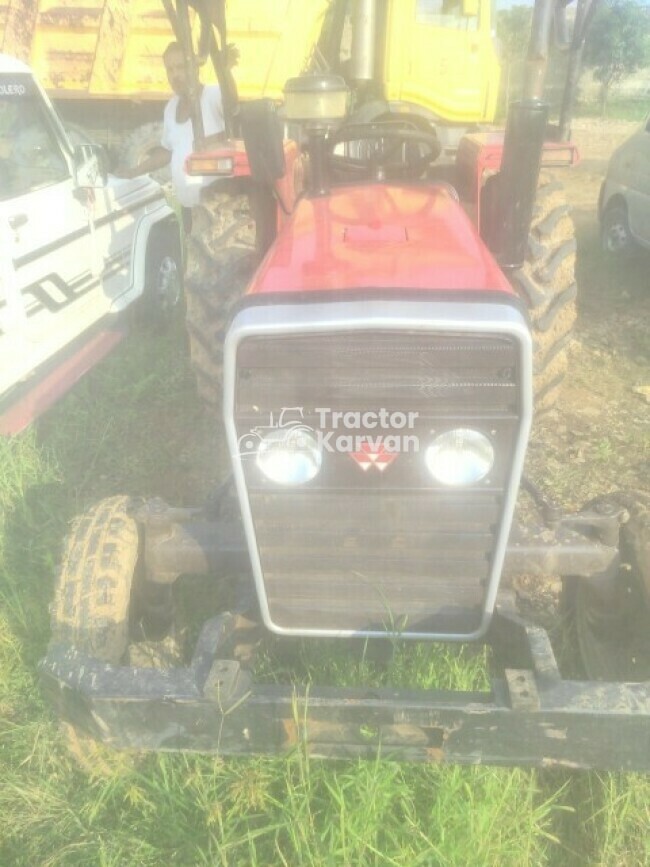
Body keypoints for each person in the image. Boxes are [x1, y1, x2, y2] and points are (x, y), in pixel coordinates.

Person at [117, 41, 237, 230]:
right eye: (170, 69)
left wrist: (226, 72)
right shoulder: (171, 107)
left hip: (219, 209)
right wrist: (133, 172)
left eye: (180, 67)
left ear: (195, 68)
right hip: (189, 208)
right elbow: (168, 152)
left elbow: (232, 105)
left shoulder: (213, 95)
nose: (175, 75)